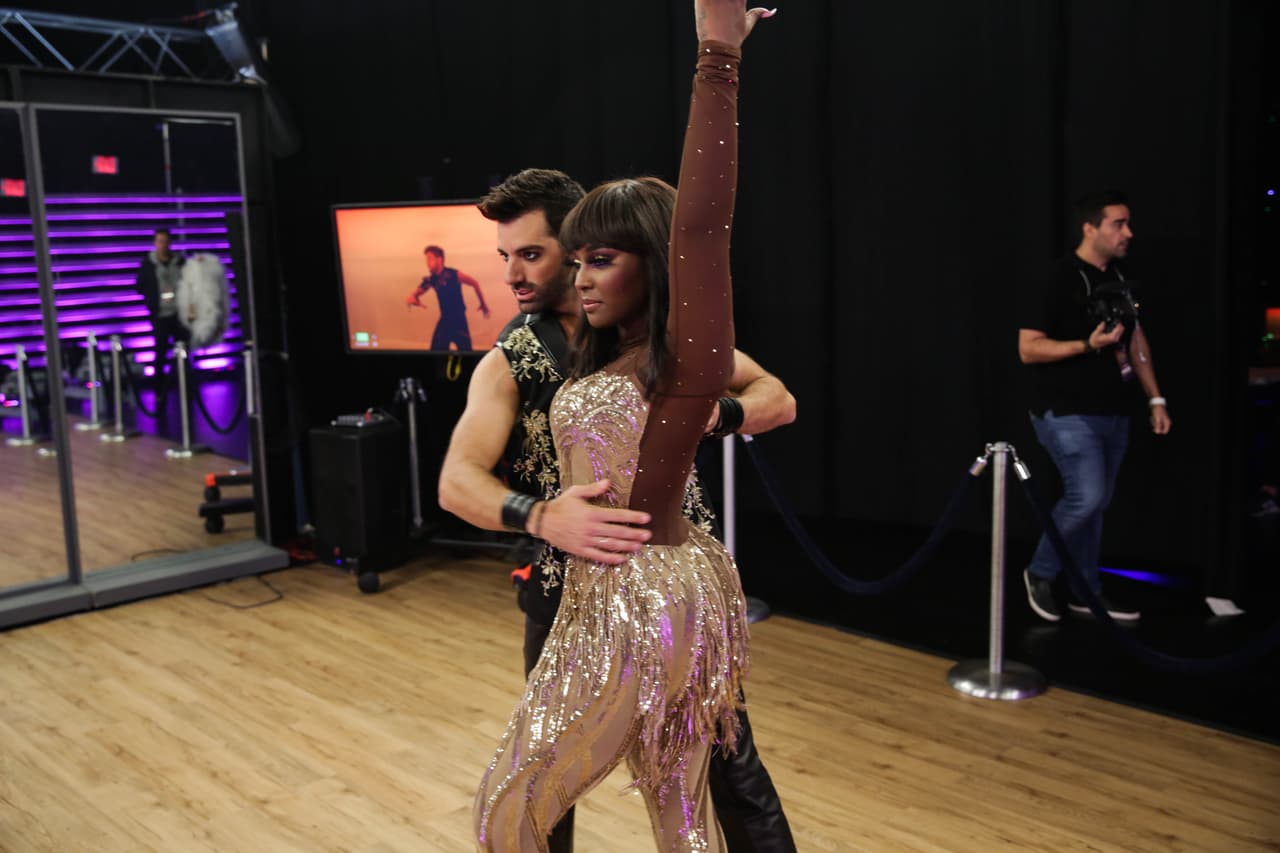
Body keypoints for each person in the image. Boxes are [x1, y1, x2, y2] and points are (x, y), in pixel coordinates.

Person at [460, 3, 775, 848]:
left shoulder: (679, 362)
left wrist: (718, 54)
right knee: (676, 812)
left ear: (655, 262)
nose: (578, 274)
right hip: (591, 594)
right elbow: (459, 481)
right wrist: (541, 513)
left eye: (601, 257)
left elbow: (705, 222)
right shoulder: (565, 356)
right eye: (578, 256)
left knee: (510, 808)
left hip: (648, 597)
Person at [1018, 190, 1172, 623]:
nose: (1128, 233)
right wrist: (1087, 344)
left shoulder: (1122, 276)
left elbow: (1137, 342)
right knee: (1087, 497)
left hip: (1113, 410)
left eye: (1128, 224)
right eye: (1118, 224)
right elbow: (1028, 349)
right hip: (1066, 410)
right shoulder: (1057, 278)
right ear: (1090, 228)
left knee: (1097, 505)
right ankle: (1040, 572)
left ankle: (1087, 589)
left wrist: (1154, 398)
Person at [405, 245, 491, 351]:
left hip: (459, 321)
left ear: (439, 259)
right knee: (434, 355)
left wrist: (483, 304)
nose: (427, 263)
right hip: (445, 321)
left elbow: (474, 283)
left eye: (430, 259)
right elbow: (413, 295)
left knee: (467, 355)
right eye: (426, 260)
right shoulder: (431, 280)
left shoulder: (453, 274)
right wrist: (412, 299)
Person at [135, 228, 188, 382]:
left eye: (165, 241)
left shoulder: (179, 262)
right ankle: (159, 390)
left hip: (179, 314)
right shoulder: (148, 264)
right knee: (160, 352)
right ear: (155, 243)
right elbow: (139, 286)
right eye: (159, 241)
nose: (163, 245)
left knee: (183, 351)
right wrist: (151, 299)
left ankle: (186, 386)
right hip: (160, 315)